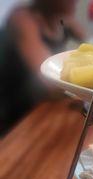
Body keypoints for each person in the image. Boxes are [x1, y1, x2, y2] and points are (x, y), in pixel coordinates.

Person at [0, 0, 85, 135]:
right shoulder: (22, 19)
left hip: (45, 110)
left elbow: (87, 46)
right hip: (16, 123)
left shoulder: (62, 20)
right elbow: (51, 82)